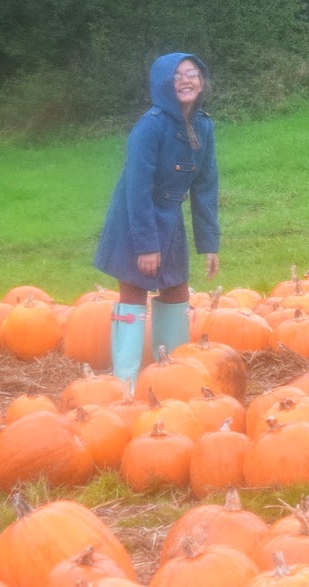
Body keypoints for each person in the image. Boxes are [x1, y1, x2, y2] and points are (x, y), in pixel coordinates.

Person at [93, 52, 220, 388]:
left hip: (170, 218)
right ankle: (125, 385)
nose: (186, 81)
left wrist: (209, 244)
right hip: (135, 218)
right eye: (176, 77)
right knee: (134, 288)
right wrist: (146, 244)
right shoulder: (150, 127)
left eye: (192, 74)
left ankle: (173, 377)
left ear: (202, 81)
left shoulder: (204, 126)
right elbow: (137, 189)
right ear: (162, 85)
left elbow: (206, 186)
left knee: (176, 289)